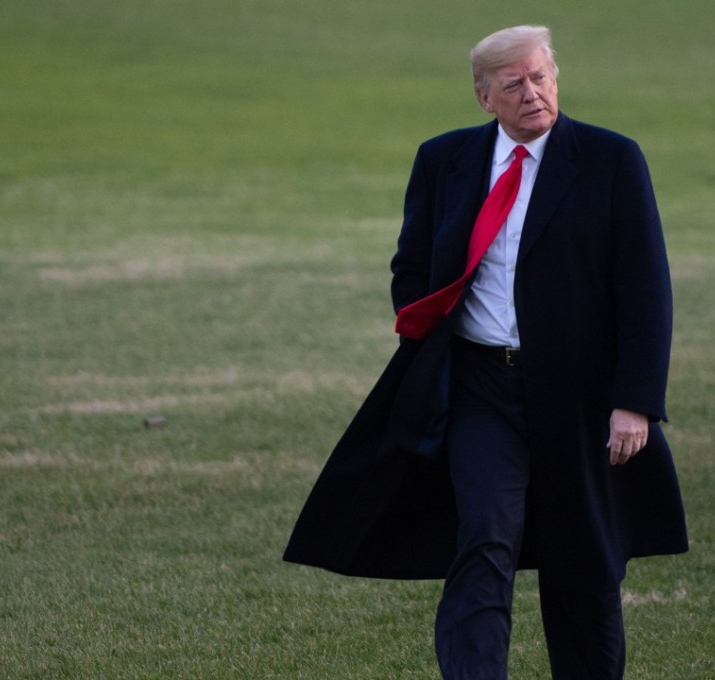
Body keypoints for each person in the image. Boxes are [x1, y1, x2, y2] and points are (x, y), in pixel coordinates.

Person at [284, 25, 687, 679]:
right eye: (513, 85)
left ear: (555, 77)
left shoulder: (612, 160)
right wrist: (424, 323)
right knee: (483, 541)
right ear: (484, 98)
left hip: (576, 395)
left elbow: (646, 290)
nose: (532, 94)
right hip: (479, 387)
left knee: (581, 559)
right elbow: (411, 265)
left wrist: (635, 402)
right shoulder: (443, 161)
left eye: (540, 77)